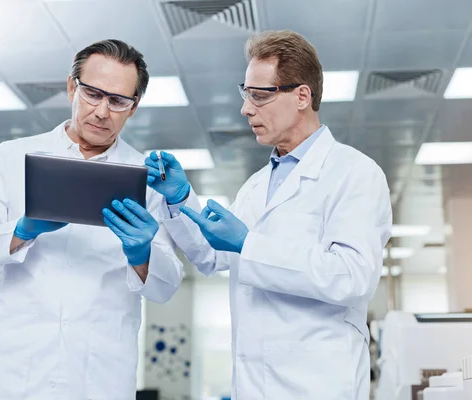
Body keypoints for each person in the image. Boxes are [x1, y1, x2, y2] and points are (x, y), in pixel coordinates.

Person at [146, 30, 392, 399]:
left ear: (302, 96)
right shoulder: (257, 185)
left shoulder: (354, 173)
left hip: (318, 387)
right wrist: (182, 201)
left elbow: (352, 277)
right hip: (252, 386)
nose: (246, 109)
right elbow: (214, 257)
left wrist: (250, 244)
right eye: (245, 95)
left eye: (259, 96)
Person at [0, 39, 186, 400]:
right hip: (16, 379)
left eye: (118, 101)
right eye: (92, 94)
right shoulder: (13, 157)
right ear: (71, 86)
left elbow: (166, 288)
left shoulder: (145, 177)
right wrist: (21, 230)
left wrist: (143, 255)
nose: (102, 111)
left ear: (134, 107)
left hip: (100, 381)